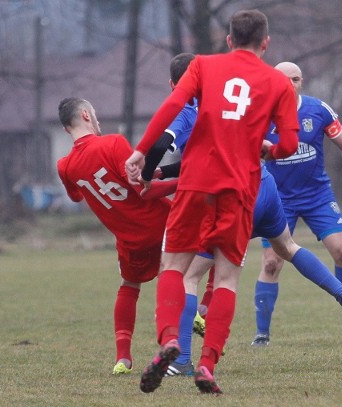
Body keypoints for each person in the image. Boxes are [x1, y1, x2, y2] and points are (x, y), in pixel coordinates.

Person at [139, 53, 342, 377]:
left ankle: (182, 361)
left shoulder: (192, 111)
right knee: (287, 248)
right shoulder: (238, 104)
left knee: (190, 276)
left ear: (174, 86)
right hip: (266, 186)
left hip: (234, 200)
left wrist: (149, 173)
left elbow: (180, 155)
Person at [125, 9, 301, 395]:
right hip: (239, 190)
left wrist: (141, 151)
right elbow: (288, 144)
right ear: (265, 43)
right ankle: (206, 364)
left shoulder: (202, 65)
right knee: (226, 279)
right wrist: (268, 147)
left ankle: (171, 338)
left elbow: (173, 107)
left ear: (228, 40)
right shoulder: (279, 83)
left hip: (195, 183)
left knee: (174, 266)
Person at [55, 97, 177, 376]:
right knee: (188, 272)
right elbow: (142, 190)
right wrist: (185, 183)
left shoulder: (64, 166)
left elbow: (75, 196)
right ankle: (191, 321)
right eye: (95, 113)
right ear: (86, 115)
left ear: (65, 129)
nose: (97, 119)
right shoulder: (113, 143)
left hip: (129, 238)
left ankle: (123, 357)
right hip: (162, 223)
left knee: (129, 287)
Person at [257, 61, 342, 344]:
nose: (290, 84)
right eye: (284, 80)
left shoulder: (317, 110)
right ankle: (262, 335)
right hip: (277, 198)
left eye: (295, 79)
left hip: (316, 195)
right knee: (272, 262)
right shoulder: (259, 115)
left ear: (301, 81)